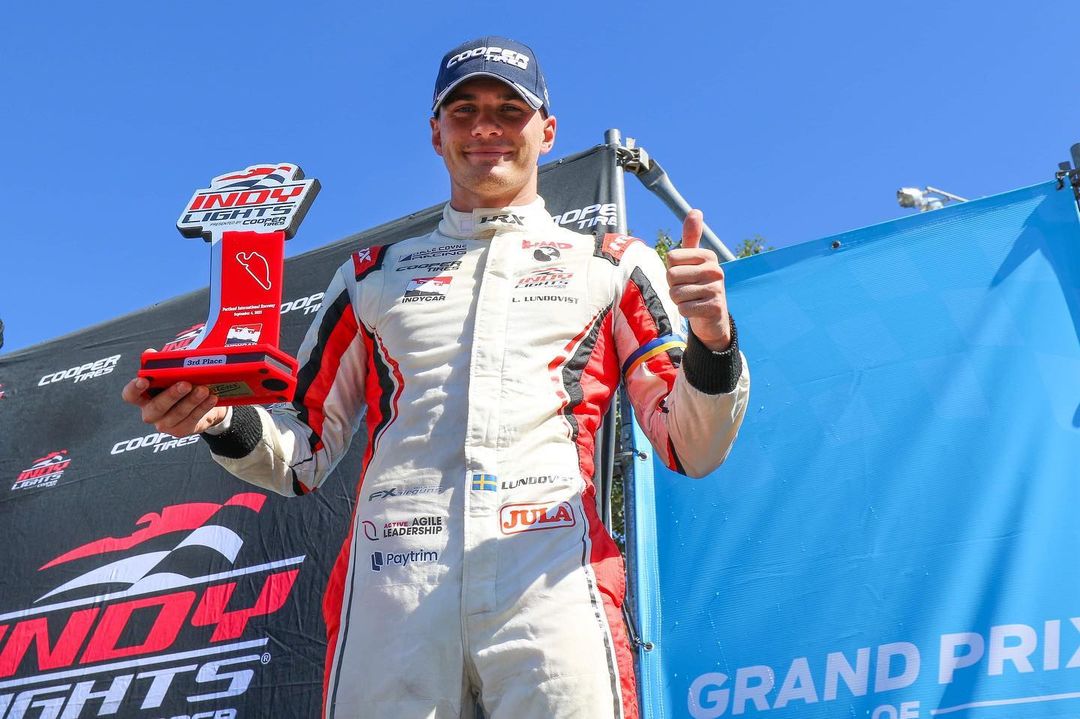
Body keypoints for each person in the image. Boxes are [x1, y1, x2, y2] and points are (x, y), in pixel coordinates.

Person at [123, 36, 750, 719]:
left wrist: (713, 340)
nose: (486, 128)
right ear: (435, 132)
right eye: (464, 110)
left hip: (550, 580)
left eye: (510, 110)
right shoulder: (370, 276)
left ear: (546, 131)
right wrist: (218, 417)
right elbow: (302, 453)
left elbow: (690, 444)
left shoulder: (612, 263)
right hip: (392, 587)